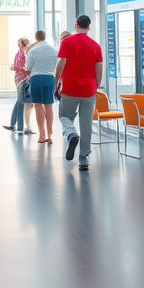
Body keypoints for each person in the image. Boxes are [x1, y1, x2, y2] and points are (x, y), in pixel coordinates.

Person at [54, 15, 103, 171]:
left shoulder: (67, 42)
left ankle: (71, 134)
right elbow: (99, 67)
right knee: (86, 122)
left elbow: (61, 62)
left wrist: (56, 82)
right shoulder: (95, 45)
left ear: (76, 25)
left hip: (70, 88)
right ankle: (83, 158)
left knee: (64, 116)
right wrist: (96, 86)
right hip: (89, 90)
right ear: (89, 26)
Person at [26, 30, 58, 143]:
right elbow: (56, 65)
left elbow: (28, 68)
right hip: (49, 78)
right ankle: (50, 134)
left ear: (36, 38)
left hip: (36, 78)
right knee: (48, 105)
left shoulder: (32, 51)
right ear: (45, 37)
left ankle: (42, 135)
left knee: (38, 105)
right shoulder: (53, 51)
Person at [4, 37, 35, 135]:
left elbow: (16, 66)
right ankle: (19, 127)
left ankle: (13, 124)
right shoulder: (23, 53)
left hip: (20, 79)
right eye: (25, 43)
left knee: (20, 101)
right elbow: (21, 66)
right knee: (21, 101)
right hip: (22, 79)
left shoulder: (21, 53)